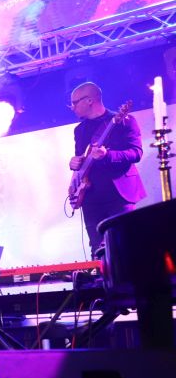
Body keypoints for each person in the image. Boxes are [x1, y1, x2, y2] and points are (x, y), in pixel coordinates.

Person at [67, 82, 146, 253]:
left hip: (119, 195)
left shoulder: (124, 121)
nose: (72, 107)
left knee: (125, 244)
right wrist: (74, 163)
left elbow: (136, 153)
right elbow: (81, 160)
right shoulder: (79, 130)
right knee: (97, 249)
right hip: (90, 196)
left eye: (74, 103)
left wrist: (107, 155)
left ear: (89, 100)